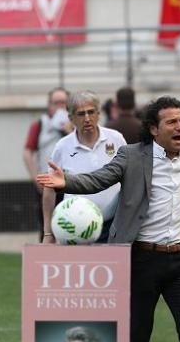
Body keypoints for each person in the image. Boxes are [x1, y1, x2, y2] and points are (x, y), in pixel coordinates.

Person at [37, 97, 180, 342]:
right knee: (137, 334)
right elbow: (99, 179)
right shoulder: (132, 156)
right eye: (171, 122)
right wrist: (68, 182)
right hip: (142, 259)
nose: (179, 127)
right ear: (153, 129)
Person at [42, 91, 126, 244]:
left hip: (113, 226)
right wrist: (48, 233)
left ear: (98, 114)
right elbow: (49, 189)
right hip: (75, 229)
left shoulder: (116, 139)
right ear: (71, 118)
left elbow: (129, 178)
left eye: (91, 112)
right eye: (81, 114)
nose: (87, 118)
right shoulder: (63, 146)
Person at [23, 88, 72, 240]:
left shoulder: (77, 124)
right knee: (46, 229)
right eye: (56, 103)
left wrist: (69, 131)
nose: (59, 107)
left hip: (71, 183)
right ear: (49, 105)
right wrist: (36, 177)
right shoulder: (39, 125)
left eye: (63, 103)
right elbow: (27, 152)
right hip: (47, 184)